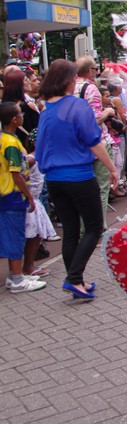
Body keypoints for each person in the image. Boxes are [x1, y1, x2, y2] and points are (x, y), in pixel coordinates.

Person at [35, 60, 119, 300]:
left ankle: (77, 281)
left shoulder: (46, 110)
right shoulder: (77, 106)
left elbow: (40, 150)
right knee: (93, 227)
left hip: (54, 179)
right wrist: (112, 168)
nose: (75, 82)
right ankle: (73, 278)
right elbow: (94, 141)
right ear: (65, 80)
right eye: (72, 78)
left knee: (71, 231)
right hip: (79, 176)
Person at [0, 102, 46, 293]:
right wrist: (28, 196)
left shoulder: (7, 139)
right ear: (14, 119)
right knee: (15, 236)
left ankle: (15, 275)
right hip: (12, 195)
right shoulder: (10, 143)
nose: (23, 117)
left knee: (15, 235)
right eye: (20, 114)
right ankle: (18, 279)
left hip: (9, 195)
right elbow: (15, 172)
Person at [74, 56, 117, 228]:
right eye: (95, 69)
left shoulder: (69, 87)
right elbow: (95, 120)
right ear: (90, 70)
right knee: (101, 187)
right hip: (97, 142)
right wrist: (108, 112)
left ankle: (83, 227)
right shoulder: (90, 89)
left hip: (77, 145)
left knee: (83, 189)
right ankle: (98, 228)